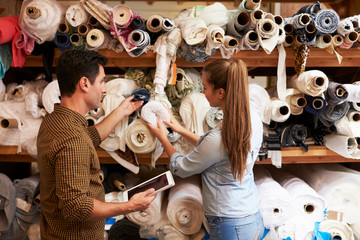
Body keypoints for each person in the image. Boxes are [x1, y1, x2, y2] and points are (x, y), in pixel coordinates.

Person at [37, 49, 156, 240]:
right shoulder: (72, 139)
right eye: (101, 81)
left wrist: (122, 111)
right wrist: (129, 206)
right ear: (84, 83)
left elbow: (87, 138)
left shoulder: (55, 121)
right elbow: (76, 206)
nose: (105, 89)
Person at [147, 59, 265, 239]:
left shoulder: (218, 139)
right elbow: (213, 149)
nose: (203, 92)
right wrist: (179, 129)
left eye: (205, 87)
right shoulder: (251, 119)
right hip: (251, 217)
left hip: (230, 225)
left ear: (221, 92)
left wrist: (163, 138)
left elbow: (181, 168)